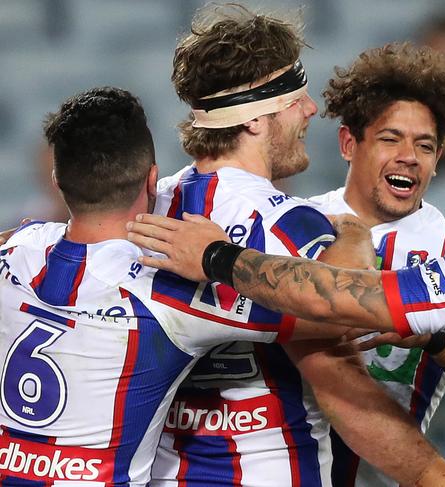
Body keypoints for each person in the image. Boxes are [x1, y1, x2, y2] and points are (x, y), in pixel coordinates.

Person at [128, 86, 445, 487]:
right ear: (350, 143)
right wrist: (441, 343)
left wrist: (218, 257)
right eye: (390, 139)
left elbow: (330, 299)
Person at [148, 5, 445, 487]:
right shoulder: (289, 224)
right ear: (255, 119)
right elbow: (338, 369)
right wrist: (436, 477)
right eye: (296, 96)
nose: (312, 108)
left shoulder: (153, 207)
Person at [0, 87, 296, 485]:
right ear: (153, 179)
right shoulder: (170, 291)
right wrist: (221, 257)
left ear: (56, 180)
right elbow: (327, 318)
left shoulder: (14, 249)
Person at [309, 42, 445, 487]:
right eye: (390, 138)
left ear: (437, 160)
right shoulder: (293, 222)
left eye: (424, 145)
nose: (408, 155)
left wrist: (431, 339)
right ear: (349, 143)